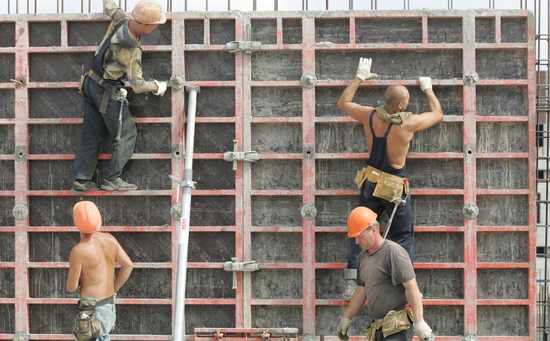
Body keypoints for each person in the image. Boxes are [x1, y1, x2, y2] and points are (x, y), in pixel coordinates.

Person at [337, 57, 443, 276]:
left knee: (362, 228)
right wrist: (428, 89)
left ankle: (352, 276)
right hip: (393, 187)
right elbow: (438, 114)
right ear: (401, 106)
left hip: (370, 181)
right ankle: (403, 278)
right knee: (402, 234)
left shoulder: (371, 116)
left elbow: (344, 103)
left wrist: (359, 77)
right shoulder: (408, 123)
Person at [71, 0, 168, 194]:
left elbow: (109, 5)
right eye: (156, 24)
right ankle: (112, 179)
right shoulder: (131, 49)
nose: (157, 27)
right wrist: (157, 86)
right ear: (146, 25)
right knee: (126, 134)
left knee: (91, 133)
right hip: (106, 90)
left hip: (91, 82)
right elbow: (138, 85)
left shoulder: (121, 18)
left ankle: (81, 180)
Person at [337, 206, 433, 341]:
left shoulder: (394, 253)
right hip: (378, 327)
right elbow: (361, 290)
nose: (357, 242)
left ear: (373, 230)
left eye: (360, 237)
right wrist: (346, 318)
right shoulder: (363, 257)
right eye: (355, 238)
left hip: (397, 326)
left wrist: (419, 323)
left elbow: (412, 288)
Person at [67, 201, 134, 340]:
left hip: (92, 310)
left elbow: (71, 287)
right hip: (108, 305)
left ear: (76, 222)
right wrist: (114, 289)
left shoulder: (79, 250)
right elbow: (128, 265)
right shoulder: (109, 239)